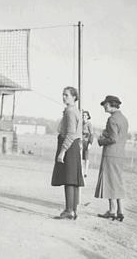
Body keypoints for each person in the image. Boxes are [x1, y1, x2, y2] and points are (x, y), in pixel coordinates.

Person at [51, 86, 84, 220]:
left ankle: (69, 210)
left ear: (74, 97)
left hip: (69, 146)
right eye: (63, 95)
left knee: (69, 179)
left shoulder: (70, 111)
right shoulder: (75, 111)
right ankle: (73, 210)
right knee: (74, 179)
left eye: (67, 95)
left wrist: (62, 151)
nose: (64, 97)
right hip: (75, 145)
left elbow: (70, 133)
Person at [95, 95, 128, 222]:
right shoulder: (123, 119)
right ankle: (120, 211)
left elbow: (113, 138)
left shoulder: (112, 119)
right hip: (120, 155)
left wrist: (101, 140)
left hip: (110, 154)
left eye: (105, 104)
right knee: (117, 182)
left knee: (110, 182)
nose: (104, 106)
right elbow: (118, 136)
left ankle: (112, 211)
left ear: (111, 104)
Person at [82, 110, 93, 178]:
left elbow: (92, 134)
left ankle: (86, 172)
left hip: (86, 142)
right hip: (81, 142)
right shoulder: (80, 123)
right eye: (83, 115)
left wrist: (90, 143)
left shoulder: (89, 124)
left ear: (88, 116)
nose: (84, 117)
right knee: (81, 157)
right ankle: (82, 171)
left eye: (85, 115)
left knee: (86, 157)